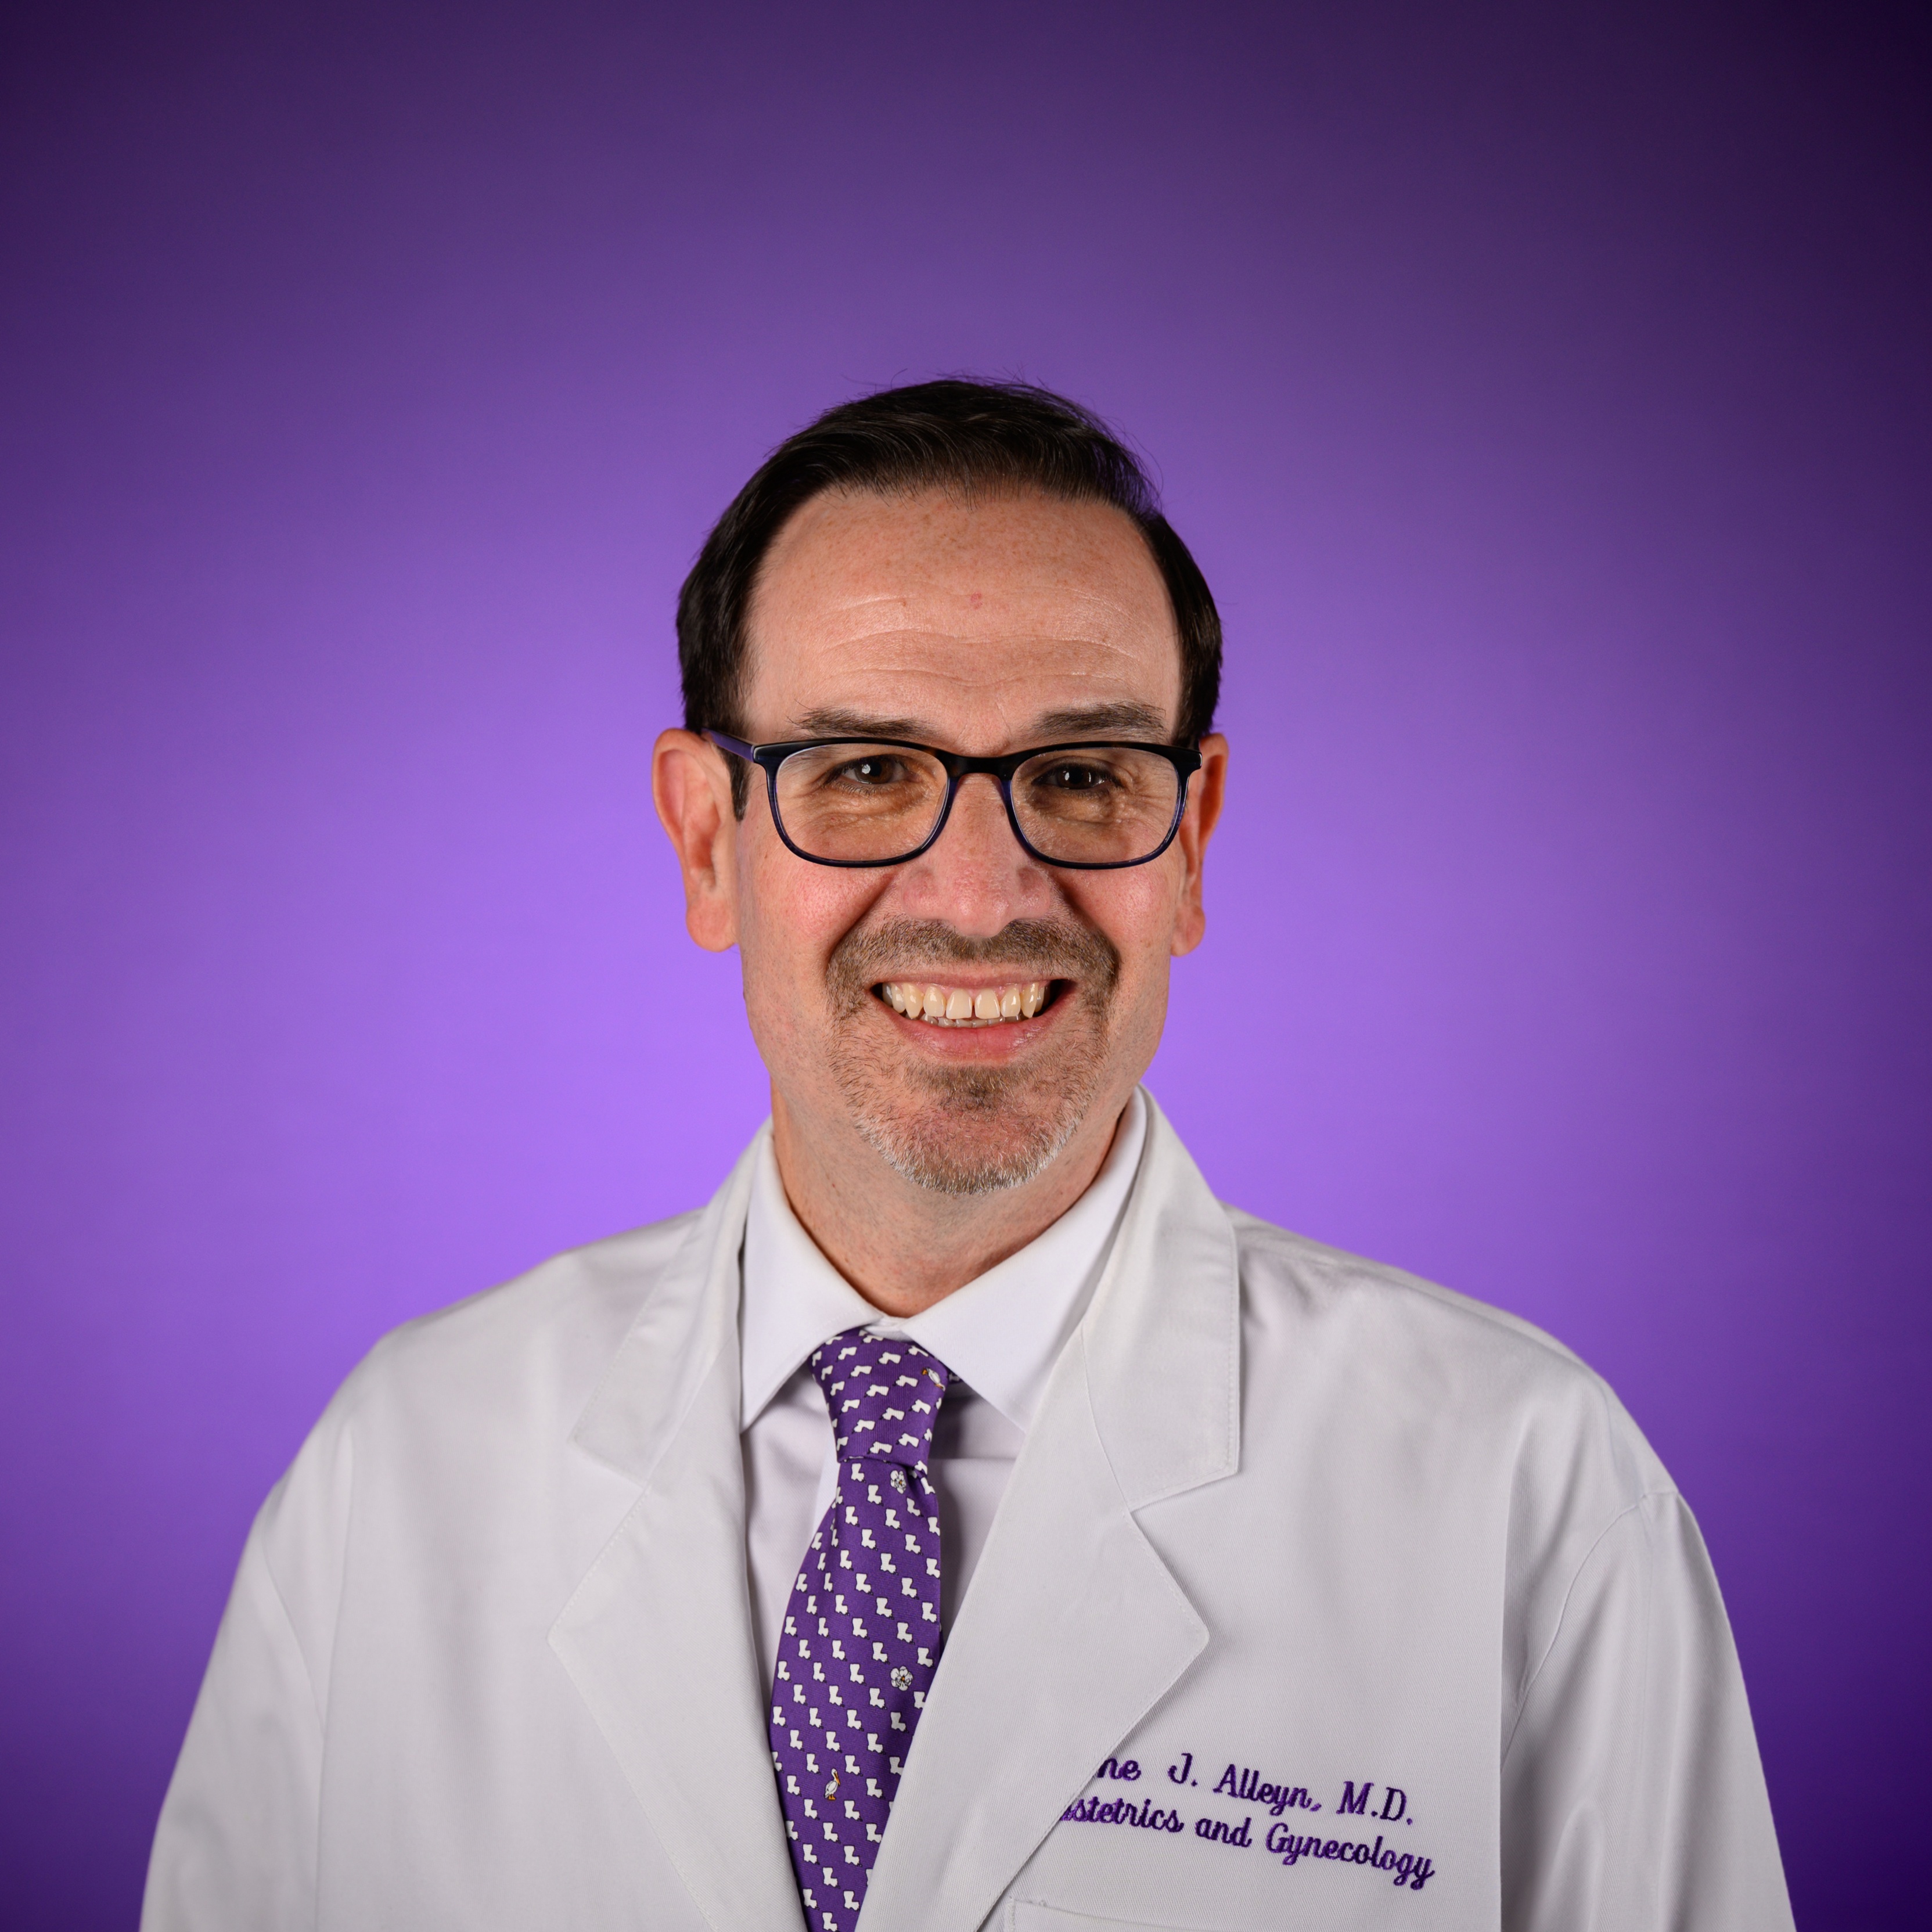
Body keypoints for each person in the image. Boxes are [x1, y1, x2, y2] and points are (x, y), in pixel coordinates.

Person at [143, 379, 1793, 1932]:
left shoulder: (1524, 1490)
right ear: (708, 841)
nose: (984, 894)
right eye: (867, 772)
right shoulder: (402, 1468)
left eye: (1080, 776)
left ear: (1193, 840)